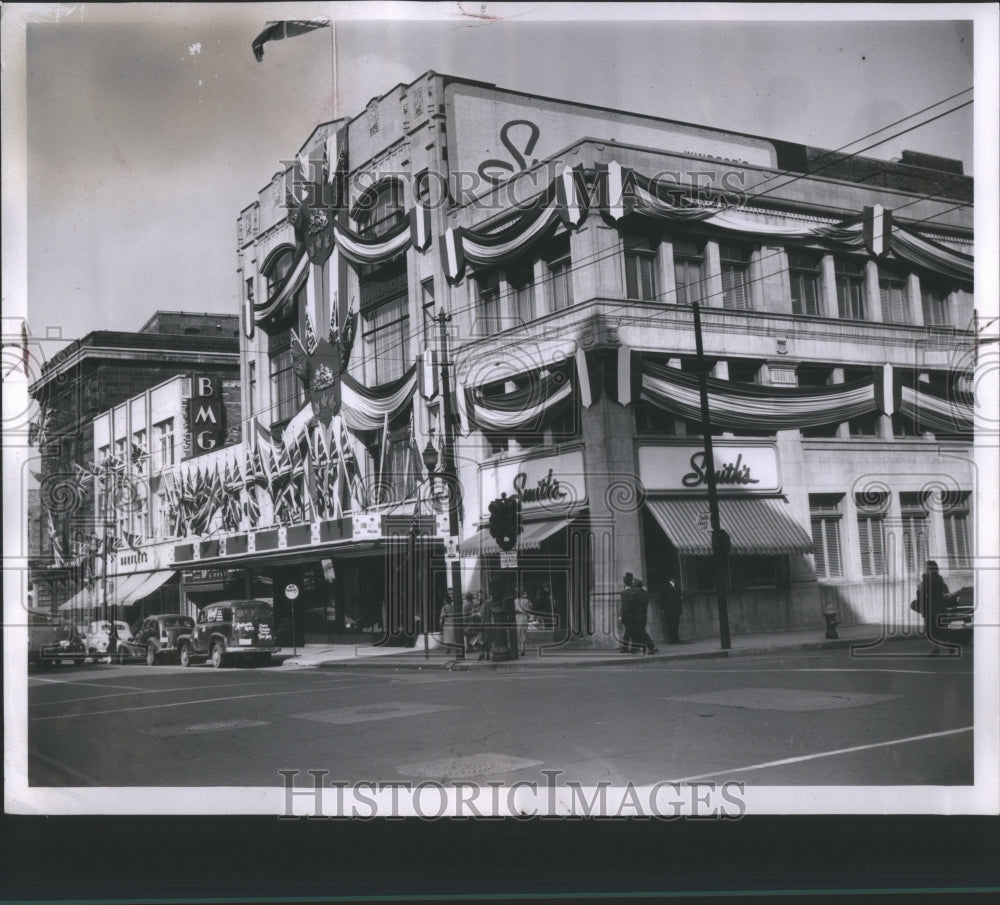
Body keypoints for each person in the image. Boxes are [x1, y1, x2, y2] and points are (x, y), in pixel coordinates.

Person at [916, 560, 950, 654]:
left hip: (930, 609)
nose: (925, 569)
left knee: (932, 630)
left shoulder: (927, 580)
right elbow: (946, 593)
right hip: (940, 608)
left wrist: (919, 590)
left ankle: (936, 649)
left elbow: (922, 594)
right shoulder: (940, 579)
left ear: (929, 569)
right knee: (941, 629)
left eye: (926, 567)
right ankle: (948, 646)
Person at [630, 579, 658, 654]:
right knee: (637, 632)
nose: (633, 588)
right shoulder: (645, 594)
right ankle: (635, 648)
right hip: (643, 616)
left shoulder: (636, 595)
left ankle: (652, 647)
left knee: (642, 633)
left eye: (634, 587)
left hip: (637, 617)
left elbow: (632, 606)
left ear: (637, 587)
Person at [662, 575, 683, 644]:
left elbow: (680, 595)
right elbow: (663, 598)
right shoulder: (666, 587)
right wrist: (662, 608)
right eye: (676, 578)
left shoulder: (677, 587)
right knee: (671, 624)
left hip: (676, 608)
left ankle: (675, 638)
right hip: (669, 608)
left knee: (676, 624)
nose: (677, 580)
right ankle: (671, 638)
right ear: (672, 579)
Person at [619, 572, 636, 653]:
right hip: (633, 614)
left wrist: (621, 615)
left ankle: (626, 648)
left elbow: (624, 606)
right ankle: (633, 648)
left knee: (627, 632)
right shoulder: (633, 591)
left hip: (627, 615)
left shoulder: (624, 593)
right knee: (631, 632)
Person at [514, 588, 532, 656]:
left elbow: (515, 610)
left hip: (518, 617)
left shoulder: (515, 601)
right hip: (524, 617)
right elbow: (530, 607)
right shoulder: (527, 601)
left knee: (519, 632)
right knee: (523, 632)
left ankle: (521, 648)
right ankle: (522, 648)